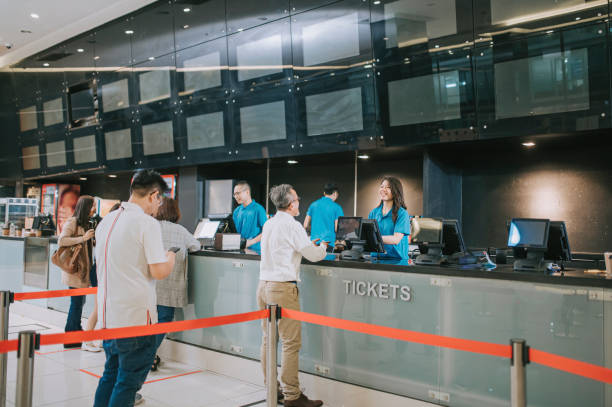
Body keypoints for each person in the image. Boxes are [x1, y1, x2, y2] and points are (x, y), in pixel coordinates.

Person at [93, 170, 176, 407]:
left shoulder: (106, 221)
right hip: (137, 319)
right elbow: (158, 271)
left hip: (110, 318)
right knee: (128, 383)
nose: (159, 206)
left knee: (110, 375)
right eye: (159, 200)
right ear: (153, 195)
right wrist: (170, 257)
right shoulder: (146, 223)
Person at [258, 184, 327, 407]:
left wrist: (304, 245)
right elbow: (314, 256)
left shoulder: (269, 223)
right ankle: (292, 396)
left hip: (263, 285)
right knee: (290, 342)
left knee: (269, 340)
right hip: (283, 289)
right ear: (290, 204)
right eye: (297, 199)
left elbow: (286, 248)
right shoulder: (293, 225)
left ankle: (273, 390)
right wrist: (324, 246)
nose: (299, 202)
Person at [151, 197, 200, 371]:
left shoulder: (151, 227)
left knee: (147, 321)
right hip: (169, 285)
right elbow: (196, 246)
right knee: (164, 319)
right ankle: (148, 356)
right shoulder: (180, 231)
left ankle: (146, 356)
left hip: (149, 283)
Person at [58, 195, 96, 349]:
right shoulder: (72, 221)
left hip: (83, 271)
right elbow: (62, 240)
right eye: (92, 206)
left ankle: (75, 331)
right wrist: (82, 238)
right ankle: (70, 337)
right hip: (74, 271)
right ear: (85, 207)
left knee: (79, 303)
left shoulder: (87, 223)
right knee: (76, 304)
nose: (94, 209)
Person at [368, 176, 411, 259]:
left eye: (388, 187)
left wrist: (372, 238)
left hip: (397, 261)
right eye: (382, 187)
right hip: (376, 258)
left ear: (396, 191)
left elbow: (396, 239)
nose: (383, 189)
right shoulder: (374, 213)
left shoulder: (402, 214)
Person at [303, 183, 344, 247]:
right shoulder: (337, 207)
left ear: (324, 193)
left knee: (314, 257)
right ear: (335, 193)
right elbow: (337, 228)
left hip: (314, 243)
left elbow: (305, 225)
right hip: (328, 243)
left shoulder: (313, 205)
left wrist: (316, 230)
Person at [233, 181, 267, 251]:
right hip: (239, 250)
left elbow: (267, 231)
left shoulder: (259, 209)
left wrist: (251, 242)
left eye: (238, 193)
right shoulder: (236, 211)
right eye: (234, 194)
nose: (236, 197)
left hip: (255, 251)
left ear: (247, 192)